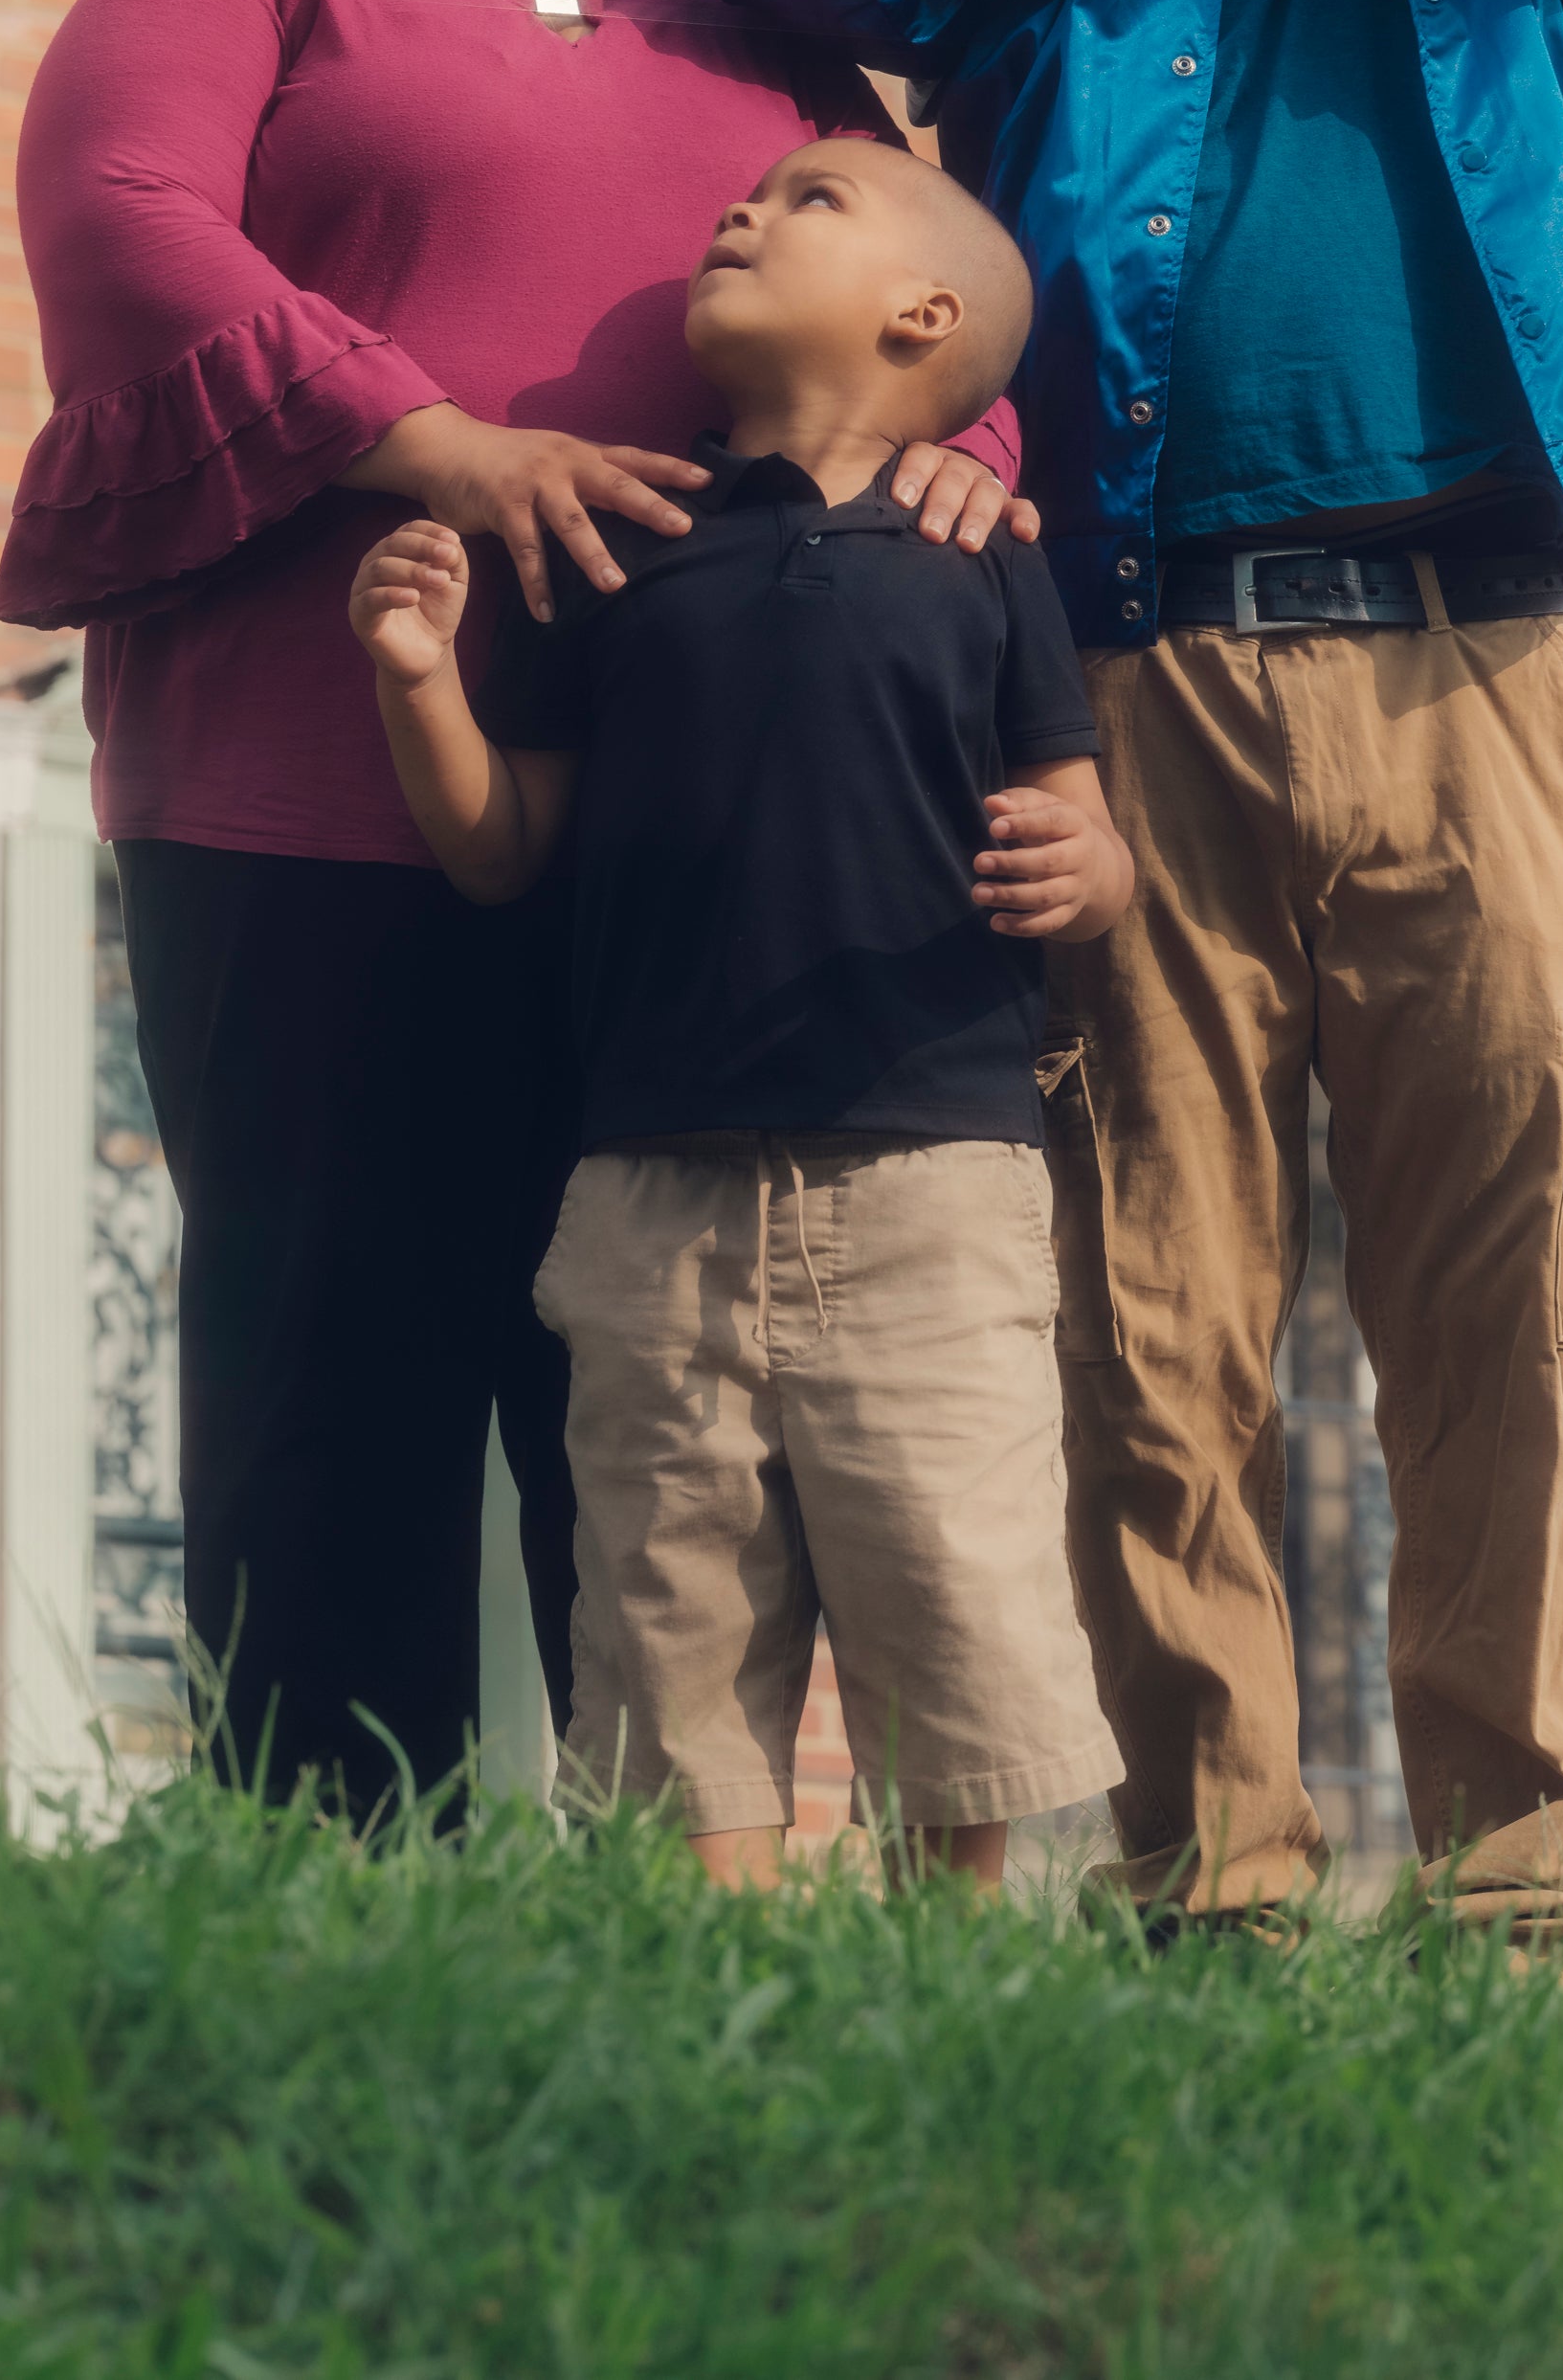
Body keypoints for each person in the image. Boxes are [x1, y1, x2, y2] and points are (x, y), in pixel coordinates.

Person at [685, 0, 1563, 1943]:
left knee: (1494, 1292)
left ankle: (1526, 1902)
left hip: (1466, 640)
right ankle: (1216, 1895)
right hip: (1120, 656)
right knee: (1147, 1316)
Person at [0, 0, 1026, 1818]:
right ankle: (326, 1880)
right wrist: (433, 442)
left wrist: (982, 465)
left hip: (685, 854)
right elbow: (121, 214)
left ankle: (679, 1897)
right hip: (309, 798)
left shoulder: (750, 29)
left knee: (661, 1407)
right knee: (335, 1370)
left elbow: (932, 284)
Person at [348, 135, 1129, 1883]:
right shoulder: (623, 547)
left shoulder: (984, 556)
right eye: (752, 198)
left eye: (812, 201)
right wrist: (418, 690)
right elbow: (503, 844)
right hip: (652, 1193)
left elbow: (1080, 813)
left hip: (929, 1186)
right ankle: (710, 1989)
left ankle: (952, 1991)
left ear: (924, 317)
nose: (744, 211)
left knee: (954, 1594)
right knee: (667, 1625)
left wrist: (1090, 877)